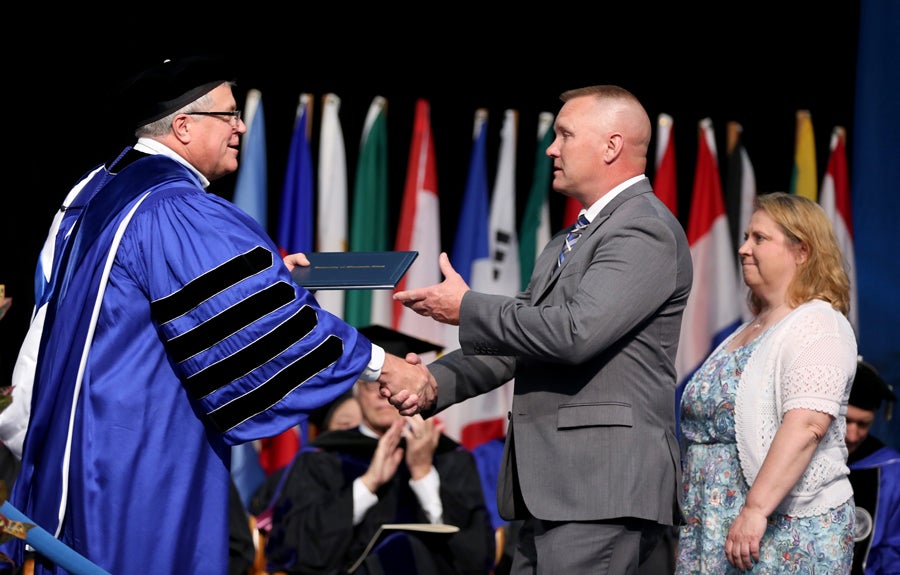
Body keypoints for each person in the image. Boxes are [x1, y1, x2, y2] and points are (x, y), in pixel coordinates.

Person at [0, 55, 430, 575]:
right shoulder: (173, 206)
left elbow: (58, 319)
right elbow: (258, 323)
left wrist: (267, 280)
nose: (241, 126)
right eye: (229, 115)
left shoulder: (91, 192)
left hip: (69, 453)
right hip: (138, 465)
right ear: (183, 126)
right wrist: (385, 365)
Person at [390, 85, 693, 574]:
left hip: (599, 489)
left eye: (565, 135)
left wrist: (468, 306)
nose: (552, 148)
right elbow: (517, 344)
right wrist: (431, 384)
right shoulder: (565, 242)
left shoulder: (644, 228)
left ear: (611, 146)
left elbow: (574, 333)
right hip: (552, 489)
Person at [676, 192, 858, 574]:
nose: (743, 249)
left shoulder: (819, 323)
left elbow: (807, 425)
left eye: (759, 238)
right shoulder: (746, 331)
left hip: (781, 532)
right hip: (713, 528)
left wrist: (755, 510)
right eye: (746, 237)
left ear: (802, 251)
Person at [264, 330, 495, 575]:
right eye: (370, 384)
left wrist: (424, 474)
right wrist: (367, 484)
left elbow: (477, 556)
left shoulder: (449, 456)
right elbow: (293, 550)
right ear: (356, 393)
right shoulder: (322, 456)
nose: (381, 393)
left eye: (391, 383)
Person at [845, 358, 899, 575]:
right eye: (846, 420)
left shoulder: (890, 471)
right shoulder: (799, 460)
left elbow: (894, 551)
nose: (852, 435)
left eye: (863, 424)